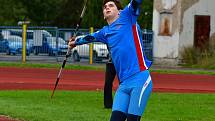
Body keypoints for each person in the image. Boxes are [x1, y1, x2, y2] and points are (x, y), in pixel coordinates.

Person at [68, 0, 153, 120]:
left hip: (140, 79)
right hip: (123, 85)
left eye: (111, 5)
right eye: (105, 7)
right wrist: (75, 42)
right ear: (103, 15)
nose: (107, 8)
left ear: (119, 11)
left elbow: (136, 2)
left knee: (132, 119)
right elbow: (89, 37)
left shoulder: (127, 16)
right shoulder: (105, 32)